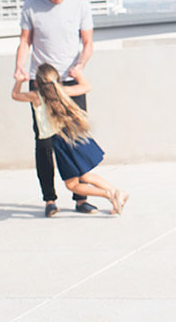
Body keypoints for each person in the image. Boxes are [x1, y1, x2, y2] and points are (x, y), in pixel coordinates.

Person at [15, 0, 95, 217]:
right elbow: (25, 42)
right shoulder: (31, 6)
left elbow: (88, 42)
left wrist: (80, 65)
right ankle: (49, 199)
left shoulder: (80, 5)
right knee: (44, 142)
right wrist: (20, 68)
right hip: (42, 83)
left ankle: (81, 198)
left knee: (74, 138)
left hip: (70, 82)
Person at [11, 64, 128, 214]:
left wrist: (19, 80)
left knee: (72, 185)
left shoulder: (36, 96)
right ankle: (118, 194)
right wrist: (77, 74)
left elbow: (15, 95)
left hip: (62, 143)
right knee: (85, 176)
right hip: (73, 137)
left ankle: (110, 194)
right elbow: (86, 86)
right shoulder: (64, 91)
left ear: (37, 82)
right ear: (57, 79)